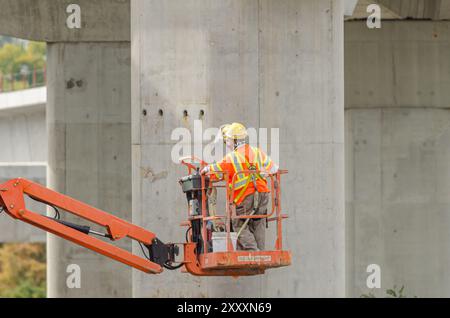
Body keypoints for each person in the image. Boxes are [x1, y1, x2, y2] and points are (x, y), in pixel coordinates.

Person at [201, 123, 278, 251]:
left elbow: (215, 171)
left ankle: (252, 251)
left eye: (229, 140)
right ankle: (260, 254)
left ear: (234, 140)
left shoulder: (232, 157)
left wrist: (206, 169)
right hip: (263, 193)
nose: (228, 143)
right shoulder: (256, 152)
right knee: (258, 222)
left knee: (237, 223)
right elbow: (274, 168)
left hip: (245, 197)